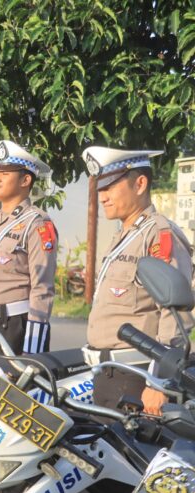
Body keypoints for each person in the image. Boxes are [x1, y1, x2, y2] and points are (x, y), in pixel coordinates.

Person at [82, 146, 193, 414]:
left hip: (138, 376)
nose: (103, 196)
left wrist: (159, 381)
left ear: (140, 184)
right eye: (100, 188)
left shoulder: (158, 235)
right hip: (109, 373)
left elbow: (175, 314)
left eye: (110, 186)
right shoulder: (125, 235)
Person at [0, 140, 58, 355]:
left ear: (25, 180)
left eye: (5, 174)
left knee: (13, 378)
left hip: (16, 326)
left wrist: (33, 348)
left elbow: (42, 288)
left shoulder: (38, 223)